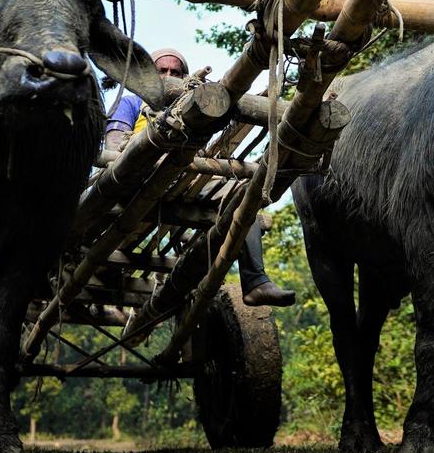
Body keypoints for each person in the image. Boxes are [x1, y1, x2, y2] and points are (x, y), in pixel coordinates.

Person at [102, 49, 296, 308]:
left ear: (186, 77)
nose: (168, 76)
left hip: (186, 180)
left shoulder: (194, 106)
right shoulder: (132, 102)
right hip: (136, 180)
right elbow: (114, 146)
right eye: (162, 71)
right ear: (148, 75)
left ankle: (256, 281)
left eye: (176, 72)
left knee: (242, 194)